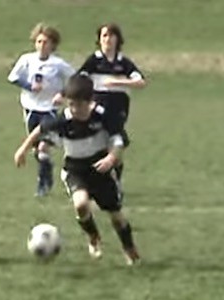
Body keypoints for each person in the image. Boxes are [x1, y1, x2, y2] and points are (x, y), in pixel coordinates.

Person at [14, 74, 140, 266]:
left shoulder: (103, 116)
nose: (74, 109)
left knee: (116, 216)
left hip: (101, 170)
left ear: (90, 102)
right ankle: (93, 236)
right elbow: (40, 130)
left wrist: (111, 157)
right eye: (71, 104)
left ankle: (129, 249)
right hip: (75, 169)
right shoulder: (64, 119)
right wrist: (22, 149)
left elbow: (118, 140)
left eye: (79, 105)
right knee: (80, 204)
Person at [77, 23, 147, 191]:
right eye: (104, 36)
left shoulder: (123, 63)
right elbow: (79, 79)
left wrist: (119, 82)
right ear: (99, 40)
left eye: (111, 36)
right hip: (97, 107)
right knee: (98, 142)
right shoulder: (94, 60)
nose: (108, 39)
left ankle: (115, 180)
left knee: (115, 144)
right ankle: (95, 182)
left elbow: (141, 82)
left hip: (118, 108)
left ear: (118, 39)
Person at [8, 22, 75, 197]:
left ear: (53, 44)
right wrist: (29, 86)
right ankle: (45, 176)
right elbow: (13, 77)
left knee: (43, 147)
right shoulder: (26, 59)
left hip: (50, 110)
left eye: (45, 42)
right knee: (37, 149)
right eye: (38, 41)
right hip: (30, 108)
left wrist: (62, 93)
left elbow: (76, 79)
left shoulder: (58, 64)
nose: (41, 45)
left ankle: (43, 185)